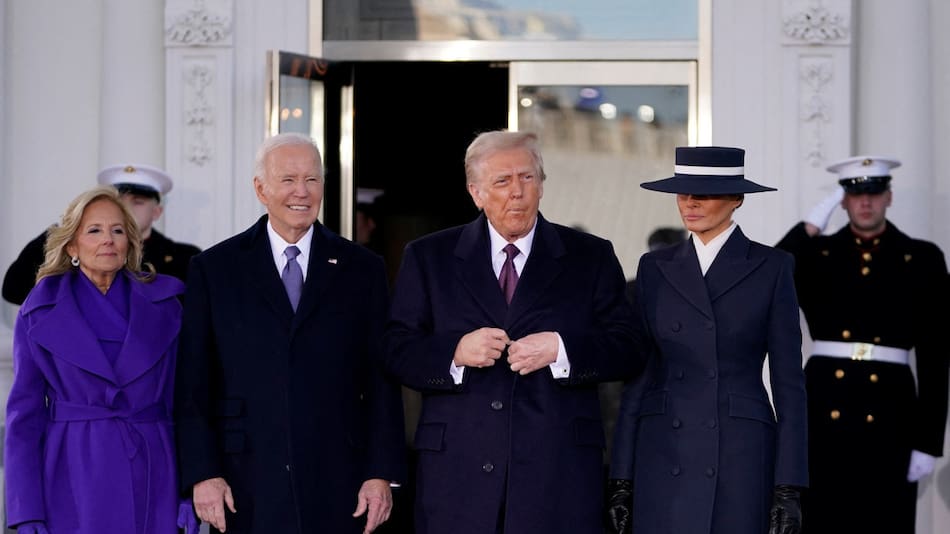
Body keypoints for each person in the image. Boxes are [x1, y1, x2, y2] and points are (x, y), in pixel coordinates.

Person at [383, 129, 643, 534]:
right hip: (458, 475)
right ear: (476, 192)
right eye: (502, 182)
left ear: (542, 185)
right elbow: (396, 349)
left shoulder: (590, 256)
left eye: (527, 178)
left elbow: (629, 346)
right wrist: (455, 353)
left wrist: (561, 349)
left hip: (559, 475)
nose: (517, 192)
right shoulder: (428, 256)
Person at [173, 132, 406, 534]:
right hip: (244, 478)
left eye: (312, 180)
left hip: (340, 478)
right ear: (260, 189)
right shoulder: (215, 269)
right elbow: (194, 384)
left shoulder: (362, 268)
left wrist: (381, 472)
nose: (302, 191)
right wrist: (202, 473)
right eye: (288, 179)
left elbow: (381, 380)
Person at [606, 146, 808, 534]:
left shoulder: (772, 267)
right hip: (663, 451)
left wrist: (789, 487)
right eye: (683, 193)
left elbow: (789, 386)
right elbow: (640, 379)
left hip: (738, 454)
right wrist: (620, 480)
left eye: (706, 193)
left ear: (737, 199)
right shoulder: (654, 267)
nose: (691, 203)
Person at [4, 186, 197, 533]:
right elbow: (24, 418)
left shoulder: (167, 306)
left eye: (117, 230)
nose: (108, 240)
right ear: (72, 245)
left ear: (130, 244)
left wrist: (189, 488)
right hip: (71, 474)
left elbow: (182, 404)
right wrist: (26, 509)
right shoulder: (39, 311)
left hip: (154, 469)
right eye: (94, 230)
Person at [775, 155, 949, 534]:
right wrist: (807, 228)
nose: (865, 202)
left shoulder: (922, 258)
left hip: (891, 412)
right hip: (823, 410)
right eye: (855, 194)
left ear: (889, 196)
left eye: (874, 192)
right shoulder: (817, 255)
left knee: (884, 520)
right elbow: (768, 277)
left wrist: (928, 441)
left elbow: (937, 355)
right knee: (821, 519)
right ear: (843, 201)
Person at [2, 163, 201, 305]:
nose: (126, 208)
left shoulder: (184, 257)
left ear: (157, 211)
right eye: (119, 201)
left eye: (137, 202)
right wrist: (67, 228)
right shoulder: (78, 246)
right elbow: (14, 290)